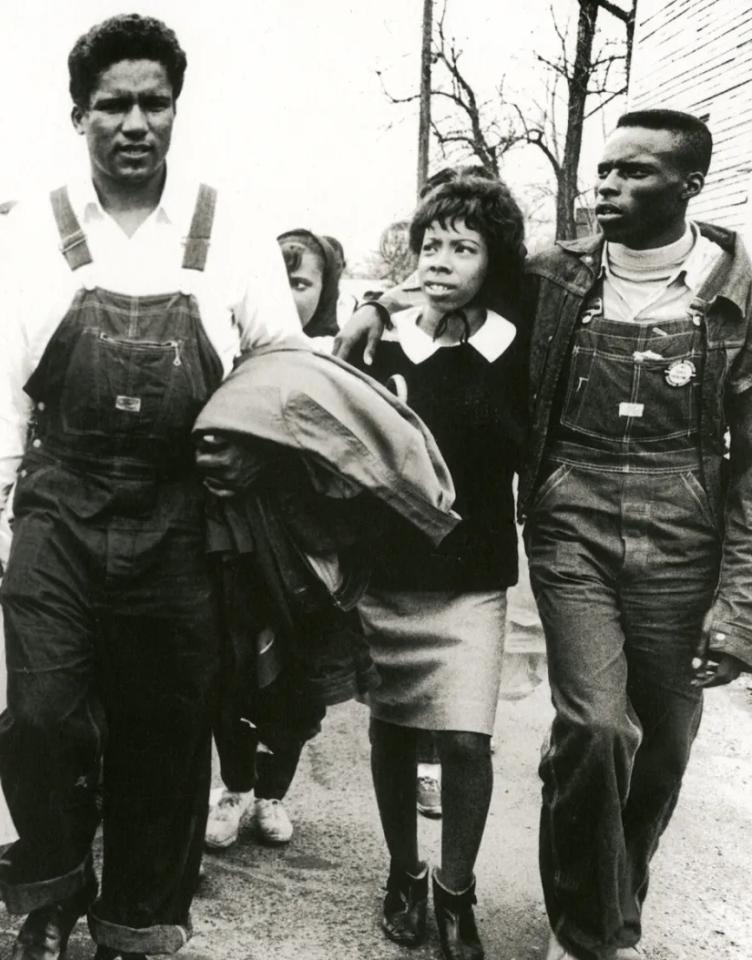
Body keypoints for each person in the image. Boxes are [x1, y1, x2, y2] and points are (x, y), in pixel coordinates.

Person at [335, 109, 752, 960]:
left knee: (664, 748)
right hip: (573, 528)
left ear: (690, 185)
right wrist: (378, 303)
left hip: (686, 534)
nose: (608, 187)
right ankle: (592, 929)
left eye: (635, 173)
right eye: (604, 171)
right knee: (596, 730)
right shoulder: (555, 277)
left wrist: (740, 602)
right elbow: (447, 272)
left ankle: (611, 888)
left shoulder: (737, 295)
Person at [0, 15, 304, 959]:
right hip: (62, 502)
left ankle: (139, 922)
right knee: (39, 716)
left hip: (183, 511)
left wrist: (255, 449)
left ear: (176, 110)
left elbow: (283, 366)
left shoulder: (227, 225)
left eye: (155, 103)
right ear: (80, 116)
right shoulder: (37, 228)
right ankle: (54, 887)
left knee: (168, 727)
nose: (136, 122)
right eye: (115, 104)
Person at [354, 176, 527, 960]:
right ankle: (403, 873)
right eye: (432, 245)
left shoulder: (515, 343)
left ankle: (456, 892)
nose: (443, 261)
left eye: (465, 247)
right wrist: (373, 305)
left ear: (495, 262)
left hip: (472, 578)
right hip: (389, 570)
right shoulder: (379, 340)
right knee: (391, 732)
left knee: (465, 742)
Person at [204, 227, 348, 853]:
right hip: (236, 545)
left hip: (307, 552)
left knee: (298, 681)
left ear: (326, 290)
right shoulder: (231, 360)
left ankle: (273, 794)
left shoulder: (333, 362)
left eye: (301, 282)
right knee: (233, 668)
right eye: (276, 281)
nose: (286, 296)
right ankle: (234, 787)